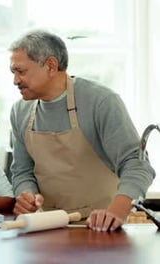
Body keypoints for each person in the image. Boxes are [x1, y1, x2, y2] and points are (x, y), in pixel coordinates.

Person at [8, 30, 155, 231]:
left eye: (21, 71)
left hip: (101, 230)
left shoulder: (101, 102)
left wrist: (117, 211)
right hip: (47, 229)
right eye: (13, 73)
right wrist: (27, 196)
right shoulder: (20, 111)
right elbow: (22, 171)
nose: (15, 81)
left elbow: (137, 164)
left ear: (51, 65)